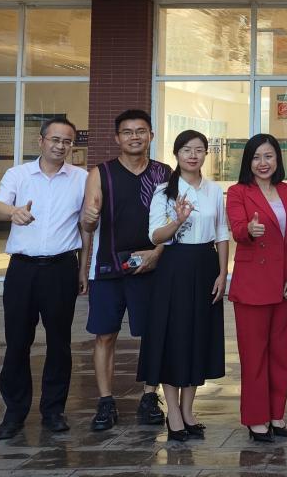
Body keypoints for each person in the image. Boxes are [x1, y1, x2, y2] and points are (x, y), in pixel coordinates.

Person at [0, 117, 88, 440]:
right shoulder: (18, 174)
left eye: (67, 141)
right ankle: (14, 412)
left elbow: (86, 228)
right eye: (55, 139)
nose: (61, 146)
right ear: (41, 141)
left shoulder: (81, 179)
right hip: (22, 270)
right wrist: (13, 212)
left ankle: (53, 410)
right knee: (17, 341)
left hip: (61, 269)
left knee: (59, 342)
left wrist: (83, 269)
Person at [80, 109, 171, 432]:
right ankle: (105, 401)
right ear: (117, 138)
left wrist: (157, 254)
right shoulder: (100, 173)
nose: (135, 137)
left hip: (152, 267)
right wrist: (88, 220)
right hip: (108, 267)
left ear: (151, 135)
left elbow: (173, 222)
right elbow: (88, 221)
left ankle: (150, 396)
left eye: (141, 131)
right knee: (105, 334)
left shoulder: (163, 173)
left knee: (153, 334)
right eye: (128, 132)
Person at [138, 130, 228, 442]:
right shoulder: (165, 191)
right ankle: (173, 413)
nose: (193, 155)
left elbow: (222, 232)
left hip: (206, 266)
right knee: (173, 337)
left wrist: (222, 273)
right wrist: (177, 221)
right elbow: (155, 236)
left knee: (198, 336)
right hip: (174, 267)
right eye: (186, 150)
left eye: (199, 150)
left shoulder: (214, 190)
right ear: (176, 154)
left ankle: (189, 411)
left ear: (206, 154)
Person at [226, 134, 287, 442]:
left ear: (277, 160)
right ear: (248, 161)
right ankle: (256, 417)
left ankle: (276, 413)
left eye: (269, 156)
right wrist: (249, 229)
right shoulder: (238, 192)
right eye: (257, 157)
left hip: (284, 285)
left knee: (281, 353)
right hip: (253, 285)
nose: (263, 163)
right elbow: (237, 229)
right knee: (254, 355)